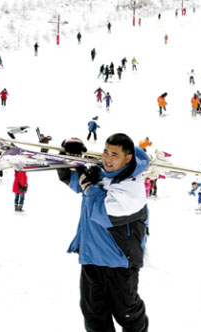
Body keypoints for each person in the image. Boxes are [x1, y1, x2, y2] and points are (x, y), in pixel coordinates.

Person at [57, 133, 150, 332]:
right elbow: (73, 179)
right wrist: (70, 157)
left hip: (119, 263)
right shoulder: (101, 174)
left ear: (128, 158)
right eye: (106, 152)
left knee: (128, 314)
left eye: (114, 154)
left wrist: (89, 185)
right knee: (94, 317)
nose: (107, 158)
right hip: (91, 257)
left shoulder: (133, 188)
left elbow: (104, 212)